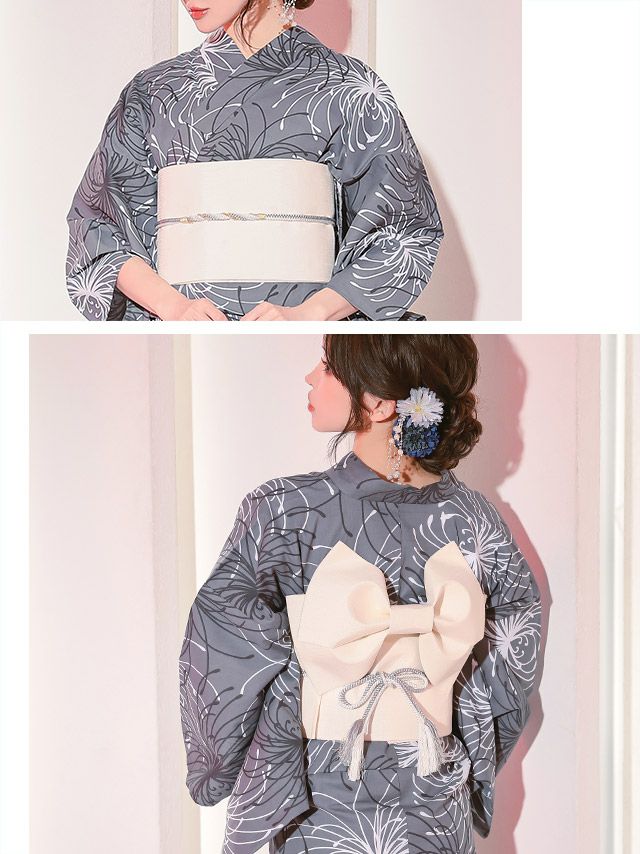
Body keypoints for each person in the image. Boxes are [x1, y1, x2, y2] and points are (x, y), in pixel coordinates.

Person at [178, 334, 543, 853]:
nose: (311, 377)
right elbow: (513, 659)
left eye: (328, 365)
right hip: (433, 797)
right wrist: (468, 746)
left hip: (313, 795)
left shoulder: (284, 511)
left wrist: (217, 767)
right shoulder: (477, 522)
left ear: (379, 402)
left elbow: (221, 646)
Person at [65, 0, 443, 321]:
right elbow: (96, 225)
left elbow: (405, 228)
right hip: (184, 330)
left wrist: (308, 315)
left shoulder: (347, 87)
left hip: (304, 336)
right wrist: (174, 307)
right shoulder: (153, 93)